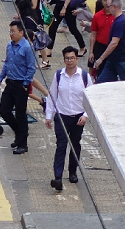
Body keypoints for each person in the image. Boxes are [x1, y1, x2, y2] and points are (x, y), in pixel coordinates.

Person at [45, 46, 90, 191]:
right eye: (67, 58)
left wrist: (85, 116)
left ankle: (72, 171)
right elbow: (52, 96)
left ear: (77, 59)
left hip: (78, 118)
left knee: (75, 144)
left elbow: (91, 99)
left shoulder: (84, 76)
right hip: (62, 116)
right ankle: (58, 177)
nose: (69, 61)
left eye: (72, 58)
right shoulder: (59, 76)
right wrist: (48, 116)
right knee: (61, 146)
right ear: (63, 59)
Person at [0, 20, 36, 154]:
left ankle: (23, 143)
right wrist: (0, 78)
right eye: (10, 31)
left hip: (21, 85)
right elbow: (7, 63)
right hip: (10, 83)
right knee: (4, 110)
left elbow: (31, 68)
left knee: (20, 114)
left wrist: (25, 84)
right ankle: (19, 133)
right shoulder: (9, 46)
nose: (11, 34)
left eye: (13, 31)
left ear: (21, 32)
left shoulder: (27, 47)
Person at [93, 0, 125, 83]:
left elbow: (114, 43)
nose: (107, 8)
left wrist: (101, 58)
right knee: (102, 81)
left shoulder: (120, 22)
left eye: (109, 6)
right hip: (113, 59)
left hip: (120, 60)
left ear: (114, 7)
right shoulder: (118, 20)